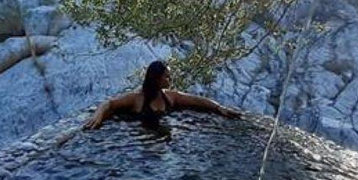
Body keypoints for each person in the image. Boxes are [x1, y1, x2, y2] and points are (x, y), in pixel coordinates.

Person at [83, 60, 241, 130]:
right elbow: (110, 103)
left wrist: (219, 108)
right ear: (156, 78)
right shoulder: (137, 98)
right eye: (167, 77)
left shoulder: (170, 96)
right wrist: (97, 116)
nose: (170, 80)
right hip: (143, 142)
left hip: (161, 139)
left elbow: (196, 100)